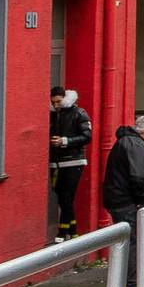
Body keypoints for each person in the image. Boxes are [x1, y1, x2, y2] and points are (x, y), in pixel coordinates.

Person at [100, 113, 144, 229]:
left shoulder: (125, 140)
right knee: (134, 236)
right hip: (128, 202)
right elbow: (139, 176)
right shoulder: (137, 145)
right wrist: (142, 201)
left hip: (118, 198)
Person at [48, 86, 92, 240]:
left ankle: (62, 232)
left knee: (67, 197)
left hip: (74, 161)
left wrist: (65, 141)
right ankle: (73, 231)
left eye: (58, 101)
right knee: (63, 198)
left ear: (65, 99)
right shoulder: (52, 115)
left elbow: (87, 136)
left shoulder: (79, 113)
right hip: (55, 162)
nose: (56, 105)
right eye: (53, 102)